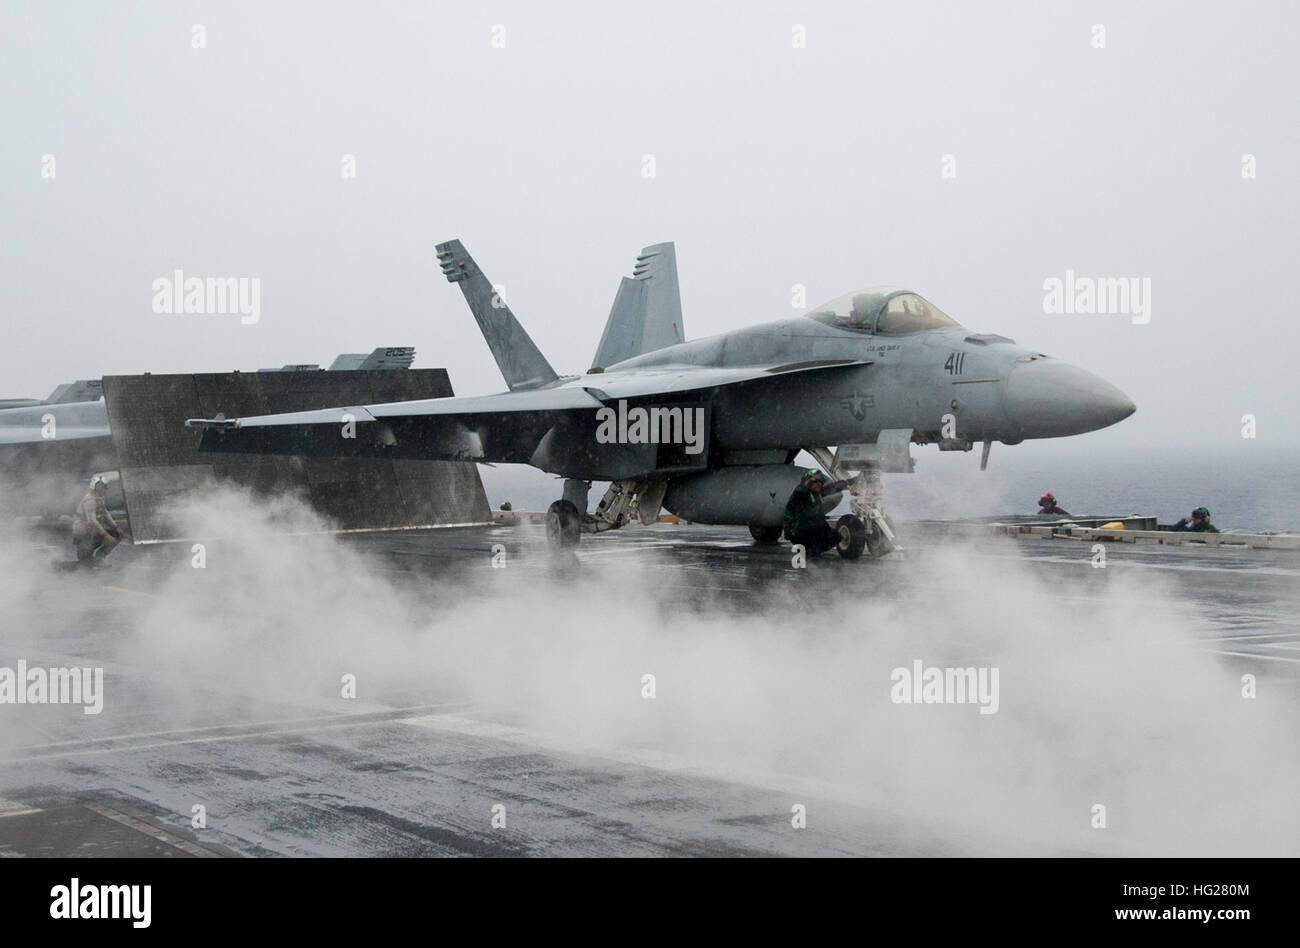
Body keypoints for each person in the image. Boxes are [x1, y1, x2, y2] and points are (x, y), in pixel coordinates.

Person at [783, 469, 851, 556]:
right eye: (816, 482)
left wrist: (848, 482)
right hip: (797, 530)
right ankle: (811, 551)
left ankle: (811, 550)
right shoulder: (800, 493)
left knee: (836, 536)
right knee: (819, 524)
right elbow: (791, 508)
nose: (819, 485)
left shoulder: (816, 493)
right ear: (808, 482)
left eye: (821, 482)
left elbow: (832, 488)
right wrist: (788, 531)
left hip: (808, 528)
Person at [72, 479, 122, 566]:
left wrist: (116, 527)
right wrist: (106, 535)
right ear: (99, 489)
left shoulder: (98, 498)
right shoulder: (90, 500)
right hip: (84, 534)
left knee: (116, 535)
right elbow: (92, 521)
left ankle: (99, 558)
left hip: (92, 532)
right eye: (105, 488)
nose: (106, 490)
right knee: (85, 563)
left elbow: (106, 514)